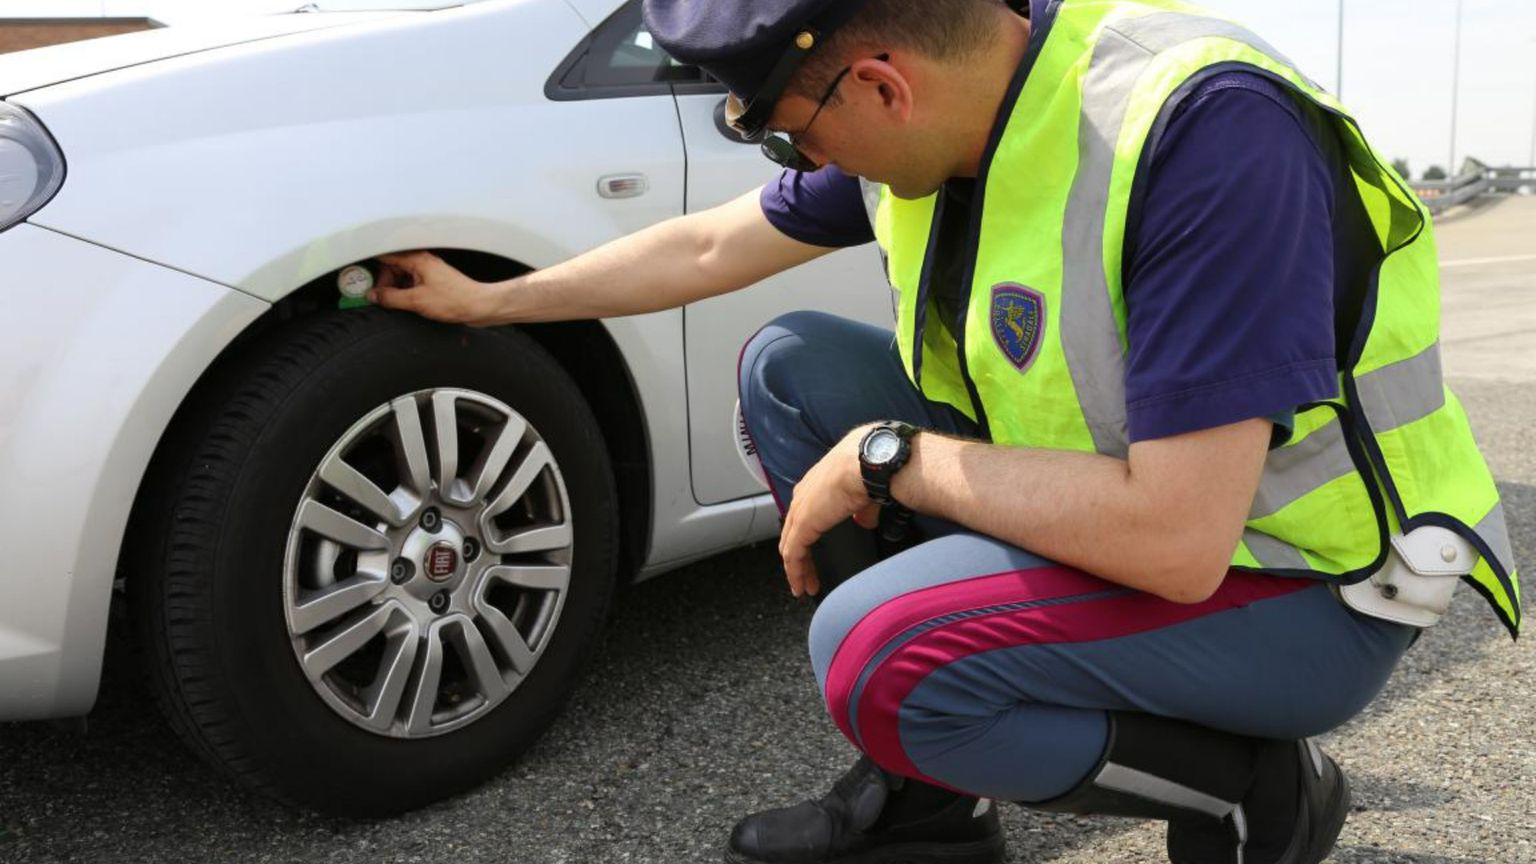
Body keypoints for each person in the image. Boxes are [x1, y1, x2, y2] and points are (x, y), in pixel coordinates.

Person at [366, 1, 1521, 862]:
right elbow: (714, 248)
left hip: (1297, 582)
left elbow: (1175, 536)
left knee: (880, 657)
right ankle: (935, 809)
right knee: (794, 369)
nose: (796, 164)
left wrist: (896, 457)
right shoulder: (958, 108)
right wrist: (489, 301)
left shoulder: (1198, 136)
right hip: (1137, 513)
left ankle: (1254, 792)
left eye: (784, 134)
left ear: (879, 84)